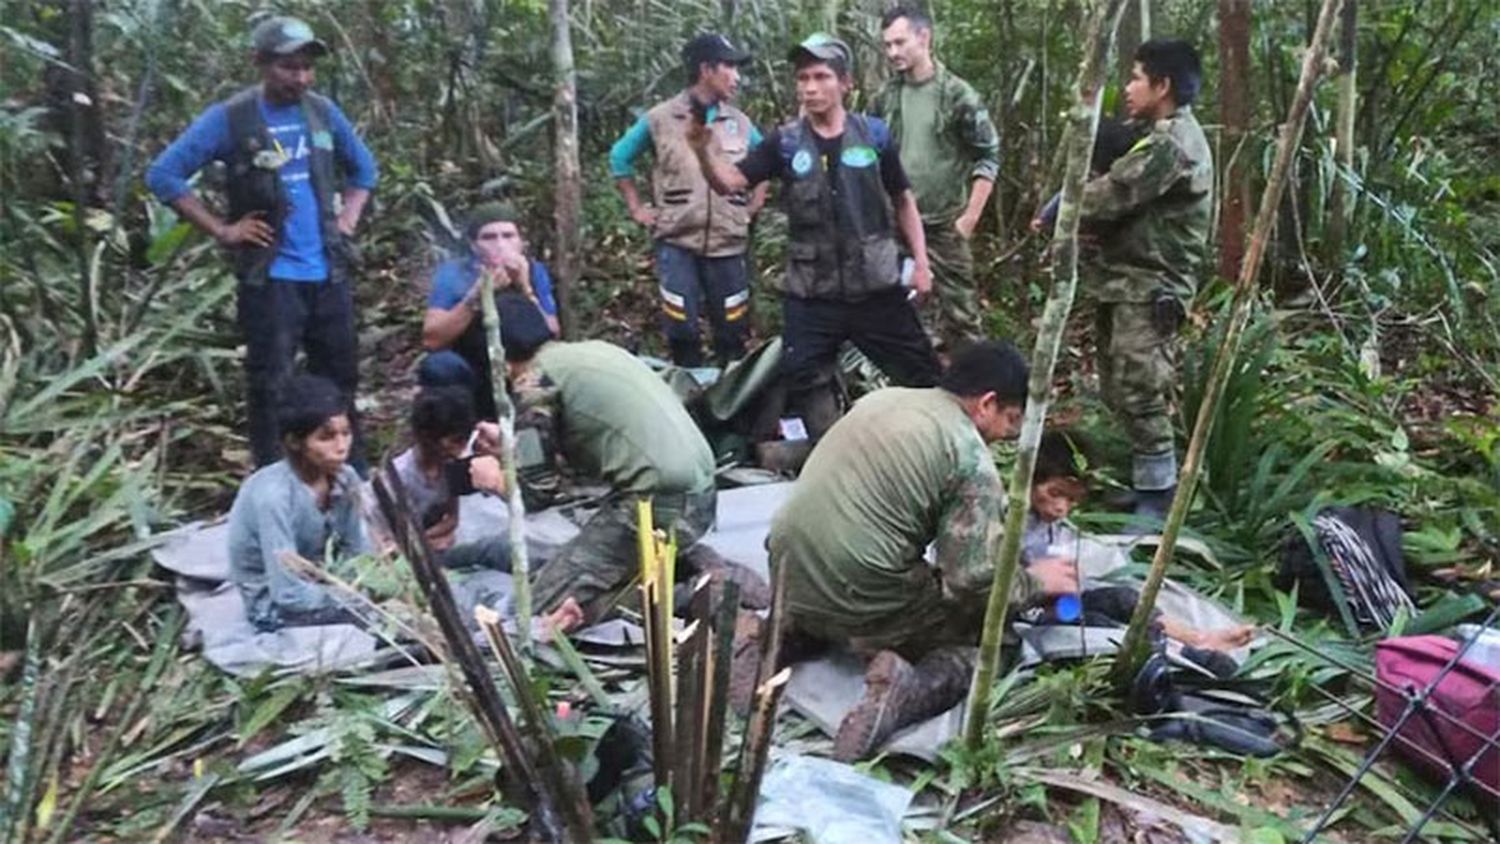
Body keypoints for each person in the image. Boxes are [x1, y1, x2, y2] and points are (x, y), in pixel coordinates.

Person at [764, 342, 1080, 760]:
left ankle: (785, 633)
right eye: (1010, 420)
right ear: (986, 403)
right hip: (859, 590)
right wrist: (1036, 580)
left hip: (785, 569)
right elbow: (970, 581)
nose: (1006, 435)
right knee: (994, 645)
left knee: (881, 574)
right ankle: (905, 692)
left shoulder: (883, 399)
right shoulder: (969, 457)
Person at [146, 16, 379, 469]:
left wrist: (347, 219)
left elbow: (364, 171)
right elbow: (164, 175)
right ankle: (277, 480)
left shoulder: (322, 113)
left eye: (307, 68)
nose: (301, 77)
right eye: (288, 67)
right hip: (272, 279)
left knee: (340, 379)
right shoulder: (231, 119)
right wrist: (222, 229)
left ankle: (353, 477)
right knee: (271, 383)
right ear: (259, 63)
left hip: (328, 272)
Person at [690, 33, 942, 441]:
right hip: (812, 292)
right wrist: (703, 150)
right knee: (803, 373)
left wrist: (922, 264)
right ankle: (832, 450)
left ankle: (934, 449)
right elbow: (730, 182)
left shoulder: (874, 135)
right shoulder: (784, 143)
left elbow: (903, 200)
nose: (809, 87)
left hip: (875, 285)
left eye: (821, 76)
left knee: (923, 374)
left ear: (846, 84)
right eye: (803, 78)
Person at [476, 294, 760, 625]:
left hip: (656, 504)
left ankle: (693, 593)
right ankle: (685, 564)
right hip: (699, 494)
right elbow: (592, 450)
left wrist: (496, 479)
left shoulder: (534, 383)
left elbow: (537, 494)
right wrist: (514, 448)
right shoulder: (590, 352)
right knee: (587, 562)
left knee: (536, 608)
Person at [1073, 39, 1214, 520]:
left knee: (1142, 387)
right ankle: (1146, 482)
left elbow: (1111, 195)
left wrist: (1064, 206)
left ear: (1163, 85)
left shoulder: (1172, 144)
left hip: (1151, 287)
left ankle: (1159, 499)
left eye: (1136, 78)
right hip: (1125, 281)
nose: (1127, 88)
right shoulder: (1154, 133)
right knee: (1118, 385)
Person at [610, 33, 769, 367]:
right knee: (681, 327)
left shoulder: (740, 123)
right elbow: (620, 158)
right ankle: (687, 395)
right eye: (730, 67)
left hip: (728, 244)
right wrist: (637, 208)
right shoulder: (660, 118)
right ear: (706, 69)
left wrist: (754, 204)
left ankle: (731, 401)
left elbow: (765, 161)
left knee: (733, 328)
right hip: (677, 242)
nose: (737, 77)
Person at [1021, 430, 1255, 654]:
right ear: (1029, 479)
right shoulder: (1007, 521)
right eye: (1055, 493)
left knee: (1122, 599)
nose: (1061, 508)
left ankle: (1196, 640)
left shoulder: (1049, 526)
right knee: (1095, 623)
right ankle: (1177, 654)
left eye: (1072, 500)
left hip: (1057, 604)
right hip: (1024, 612)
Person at [874, 4, 1001, 349]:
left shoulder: (958, 95)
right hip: (897, 227)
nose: (892, 53)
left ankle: (974, 394)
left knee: (962, 321)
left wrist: (969, 219)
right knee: (903, 319)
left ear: (924, 37)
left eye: (899, 43)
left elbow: (988, 155)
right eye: (887, 45)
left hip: (945, 227)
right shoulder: (885, 97)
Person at [227, 375, 369, 631]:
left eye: (346, 434)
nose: (342, 447)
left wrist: (364, 582)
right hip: (275, 604)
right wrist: (350, 597)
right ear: (294, 442)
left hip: (327, 583)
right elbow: (287, 592)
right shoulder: (274, 497)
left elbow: (358, 551)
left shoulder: (346, 478)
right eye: (326, 438)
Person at [420, 202, 561, 418]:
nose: (500, 244)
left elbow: (552, 331)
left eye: (508, 236)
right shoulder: (454, 273)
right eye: (489, 237)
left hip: (524, 366)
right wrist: (475, 296)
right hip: (473, 364)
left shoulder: (533, 270)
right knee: (439, 367)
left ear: (520, 242)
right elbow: (432, 339)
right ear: (474, 245)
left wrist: (525, 288)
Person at [376, 386, 513, 573]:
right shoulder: (399, 478)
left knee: (499, 549)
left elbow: (452, 520)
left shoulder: (451, 466)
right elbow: (391, 544)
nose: (460, 451)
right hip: (412, 564)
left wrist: (424, 540)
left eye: (463, 441)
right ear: (426, 437)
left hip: (438, 548)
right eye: (454, 441)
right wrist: (426, 543)